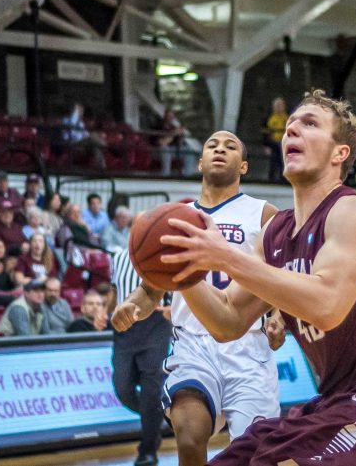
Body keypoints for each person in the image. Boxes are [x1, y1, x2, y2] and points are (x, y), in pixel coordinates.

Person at [154, 93, 356, 465]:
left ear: (340, 153)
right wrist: (185, 272)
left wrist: (224, 256)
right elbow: (227, 321)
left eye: (309, 123)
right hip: (335, 401)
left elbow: (326, 306)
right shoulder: (275, 232)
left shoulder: (350, 211)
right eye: (291, 124)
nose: (292, 128)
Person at [112, 130, 284, 466]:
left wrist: (279, 317)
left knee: (256, 455)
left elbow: (276, 275)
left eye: (231, 145)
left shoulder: (264, 214)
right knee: (190, 438)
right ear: (201, 162)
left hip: (248, 348)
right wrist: (133, 304)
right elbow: (151, 289)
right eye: (212, 145)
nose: (221, 148)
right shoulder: (175, 219)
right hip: (193, 346)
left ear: (244, 166)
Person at [109, 247, 173, 466]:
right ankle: (154, 419)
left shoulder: (162, 254)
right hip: (125, 324)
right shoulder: (117, 257)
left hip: (156, 323)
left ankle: (147, 451)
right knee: (122, 387)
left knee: (151, 389)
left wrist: (173, 307)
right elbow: (114, 290)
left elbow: (175, 287)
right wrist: (104, 313)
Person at [62, 102, 106, 169]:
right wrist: (76, 112)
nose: (81, 113)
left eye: (81, 111)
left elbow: (86, 134)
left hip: (82, 145)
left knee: (96, 146)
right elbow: (72, 128)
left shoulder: (80, 123)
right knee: (94, 137)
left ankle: (101, 169)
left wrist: (95, 135)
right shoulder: (66, 120)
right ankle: (104, 145)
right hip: (72, 144)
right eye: (79, 111)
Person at [152, 107, 186, 176]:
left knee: (188, 149)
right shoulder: (158, 127)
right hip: (157, 151)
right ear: (165, 116)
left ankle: (187, 174)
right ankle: (166, 175)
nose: (170, 118)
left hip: (173, 150)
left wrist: (181, 135)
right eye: (169, 116)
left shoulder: (174, 128)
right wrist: (173, 134)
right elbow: (162, 143)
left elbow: (180, 143)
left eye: (172, 116)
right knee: (166, 150)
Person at [262, 97, 288, 183]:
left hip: (285, 143)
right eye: (277, 105)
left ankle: (283, 179)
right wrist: (266, 146)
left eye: (281, 105)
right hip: (273, 143)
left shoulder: (288, 117)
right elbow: (265, 133)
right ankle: (271, 178)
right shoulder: (269, 118)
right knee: (273, 161)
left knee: (284, 161)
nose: (279, 107)